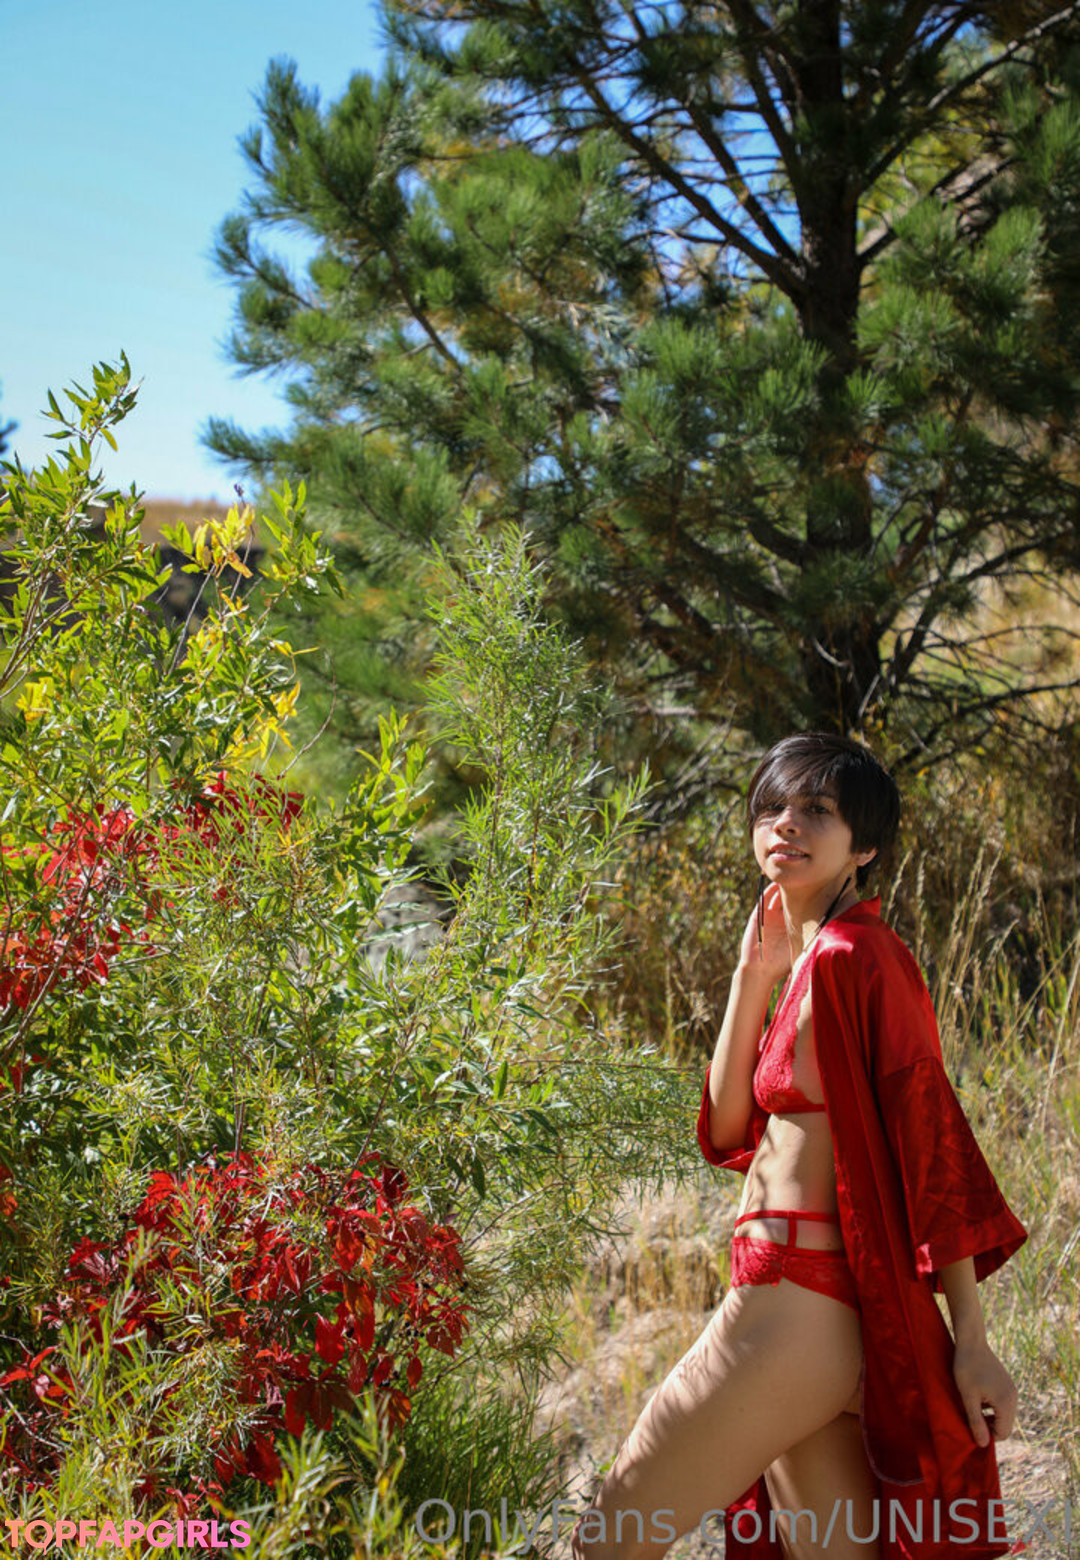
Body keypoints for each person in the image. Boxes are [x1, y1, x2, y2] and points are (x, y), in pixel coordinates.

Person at [569, 733, 1027, 1560]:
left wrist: (972, 1337)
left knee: (609, 1538)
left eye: (817, 810)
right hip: (801, 1311)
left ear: (865, 847)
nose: (786, 823)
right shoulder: (812, 962)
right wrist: (753, 977)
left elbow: (929, 1135)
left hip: (793, 1306)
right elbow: (728, 1130)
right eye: (771, 808)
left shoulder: (861, 956)